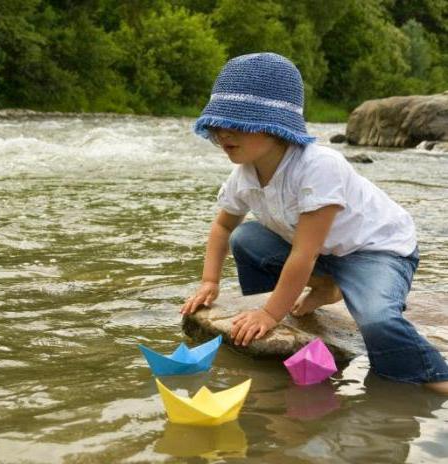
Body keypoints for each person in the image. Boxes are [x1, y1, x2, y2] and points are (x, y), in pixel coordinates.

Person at [179, 52, 448, 393]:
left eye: (239, 124)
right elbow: (223, 227)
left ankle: (433, 375)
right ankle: (323, 291)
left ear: (277, 127)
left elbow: (303, 255)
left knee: (378, 320)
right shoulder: (243, 175)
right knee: (247, 238)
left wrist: (270, 314)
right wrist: (209, 282)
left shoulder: (318, 167)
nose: (223, 134)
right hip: (326, 253)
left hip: (377, 251)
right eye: (217, 124)